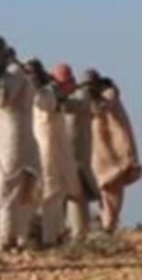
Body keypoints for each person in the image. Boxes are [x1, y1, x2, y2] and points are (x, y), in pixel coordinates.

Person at [0, 35, 40, 254]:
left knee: (8, 187)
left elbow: (3, 97)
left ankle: (5, 241)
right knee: (12, 190)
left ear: (2, 52)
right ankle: (19, 239)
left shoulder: (15, 72)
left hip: (14, 138)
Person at [23, 59, 80, 247]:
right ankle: (42, 238)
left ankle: (43, 237)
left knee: (50, 193)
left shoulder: (49, 94)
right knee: (47, 193)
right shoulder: (45, 94)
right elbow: (45, 104)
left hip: (51, 151)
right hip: (46, 152)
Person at [84, 69, 140, 234]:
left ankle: (109, 225)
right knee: (105, 189)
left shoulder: (109, 95)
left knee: (112, 187)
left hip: (115, 151)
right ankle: (107, 224)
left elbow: (101, 108)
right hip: (102, 152)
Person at [54, 64, 97, 240]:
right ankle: (62, 232)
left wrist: (54, 96)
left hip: (78, 156)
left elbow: (71, 106)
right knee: (60, 195)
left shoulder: (81, 95)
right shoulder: (68, 96)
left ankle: (79, 235)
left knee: (78, 195)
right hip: (64, 155)